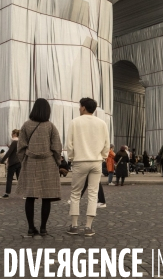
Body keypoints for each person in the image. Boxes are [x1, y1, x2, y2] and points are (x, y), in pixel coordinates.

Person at [16, 98, 62, 236]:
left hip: (31, 163)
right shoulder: (51, 126)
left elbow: (20, 147)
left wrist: (24, 159)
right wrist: (57, 162)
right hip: (48, 163)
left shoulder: (26, 126)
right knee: (46, 197)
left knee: (30, 196)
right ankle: (43, 228)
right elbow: (57, 147)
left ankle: (31, 228)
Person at [66, 97, 110, 237]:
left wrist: (72, 158)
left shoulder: (75, 122)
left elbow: (69, 144)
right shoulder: (102, 123)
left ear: (84, 107)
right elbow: (106, 144)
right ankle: (88, 227)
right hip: (96, 161)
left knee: (75, 193)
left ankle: (74, 225)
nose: (79, 108)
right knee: (93, 193)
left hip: (80, 161)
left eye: (80, 106)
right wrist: (102, 156)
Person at [0, 129, 21, 199]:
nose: (11, 135)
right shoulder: (20, 142)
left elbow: (9, 153)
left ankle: (7, 194)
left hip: (13, 162)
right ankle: (25, 194)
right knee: (20, 179)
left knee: (9, 179)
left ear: (14, 134)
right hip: (19, 162)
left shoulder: (14, 142)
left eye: (12, 134)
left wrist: (1, 161)